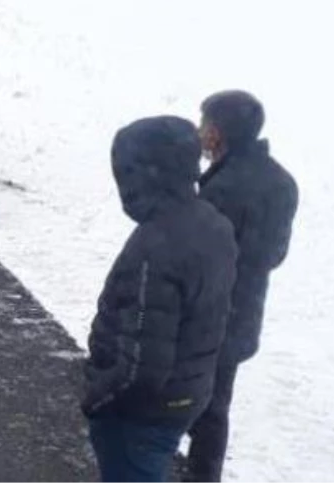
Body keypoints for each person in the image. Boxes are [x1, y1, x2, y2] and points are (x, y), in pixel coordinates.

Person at [82, 116, 238, 483]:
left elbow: (141, 369)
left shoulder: (157, 246)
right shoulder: (212, 223)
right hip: (185, 393)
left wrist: (97, 397)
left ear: (149, 173)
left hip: (140, 415)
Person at [184, 91, 299, 483]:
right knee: (216, 407)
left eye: (203, 125)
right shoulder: (282, 182)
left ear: (217, 133)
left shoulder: (222, 188)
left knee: (186, 401)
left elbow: (199, 257)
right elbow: (274, 255)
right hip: (244, 314)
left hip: (206, 314)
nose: (199, 133)